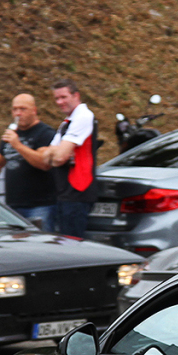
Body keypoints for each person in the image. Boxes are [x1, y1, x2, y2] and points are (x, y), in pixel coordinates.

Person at [0, 93, 56, 229]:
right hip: (14, 204)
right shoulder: (12, 133)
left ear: (34, 110)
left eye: (23, 109)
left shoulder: (45, 133)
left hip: (40, 205)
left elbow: (44, 163)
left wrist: (17, 145)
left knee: (42, 244)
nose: (18, 113)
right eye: (14, 109)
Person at [41, 78, 100, 237]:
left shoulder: (83, 116)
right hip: (64, 190)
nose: (59, 102)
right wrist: (58, 152)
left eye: (63, 97)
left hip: (77, 191)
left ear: (76, 96)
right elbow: (45, 159)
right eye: (56, 98)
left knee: (72, 243)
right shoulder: (67, 122)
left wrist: (58, 152)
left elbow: (58, 158)